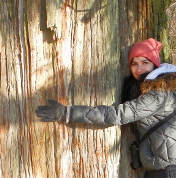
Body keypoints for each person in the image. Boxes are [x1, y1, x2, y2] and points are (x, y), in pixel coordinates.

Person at [36, 38, 176, 178]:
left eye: (145, 62)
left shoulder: (159, 95)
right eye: (134, 63)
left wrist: (67, 112)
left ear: (155, 65)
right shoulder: (167, 90)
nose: (139, 69)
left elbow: (117, 115)